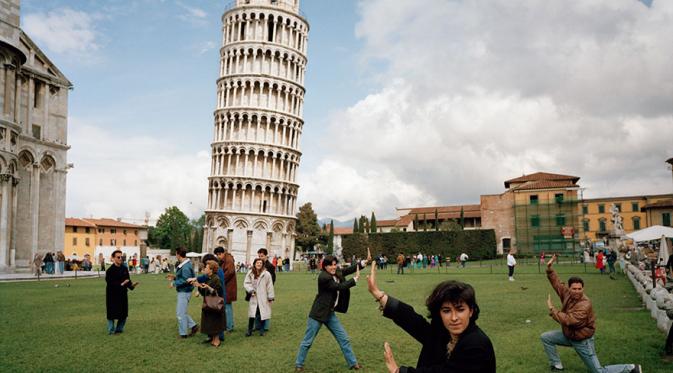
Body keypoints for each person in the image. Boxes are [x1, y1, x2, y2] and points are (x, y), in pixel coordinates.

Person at [366, 259, 495, 372]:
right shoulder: (445, 333)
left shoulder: (476, 344)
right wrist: (379, 294)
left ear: (471, 311)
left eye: (460, 310)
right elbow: (415, 322)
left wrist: (398, 371)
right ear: (439, 313)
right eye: (446, 311)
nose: (454, 318)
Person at [541, 254, 641, 372]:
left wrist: (553, 309)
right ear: (570, 288)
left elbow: (570, 320)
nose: (577, 291)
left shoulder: (585, 304)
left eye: (579, 289)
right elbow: (557, 284)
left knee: (598, 371)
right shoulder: (567, 294)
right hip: (569, 335)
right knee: (546, 338)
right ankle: (557, 365)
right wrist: (549, 269)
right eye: (574, 289)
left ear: (583, 289)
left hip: (582, 340)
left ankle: (631, 368)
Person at [294, 252, 370, 372]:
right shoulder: (324, 277)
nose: (334, 267)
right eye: (331, 265)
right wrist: (354, 280)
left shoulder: (336, 272)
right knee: (307, 341)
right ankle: (299, 364)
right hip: (318, 314)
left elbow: (348, 270)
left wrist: (362, 263)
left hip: (330, 313)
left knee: (344, 338)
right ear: (325, 267)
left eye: (335, 264)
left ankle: (353, 363)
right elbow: (338, 287)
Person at [167, 248, 199, 339]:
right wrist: (174, 277)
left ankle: (183, 333)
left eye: (176, 254)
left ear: (178, 255)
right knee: (182, 312)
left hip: (184, 291)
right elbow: (185, 278)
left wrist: (174, 283)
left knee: (180, 313)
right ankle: (193, 326)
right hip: (185, 291)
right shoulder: (186, 265)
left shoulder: (185, 266)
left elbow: (186, 280)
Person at [105, 250, 138, 335]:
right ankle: (111, 330)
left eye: (121, 257)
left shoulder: (124, 268)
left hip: (123, 294)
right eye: (118, 257)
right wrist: (122, 284)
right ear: (113, 258)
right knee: (111, 314)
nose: (120, 259)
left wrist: (132, 285)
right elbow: (110, 283)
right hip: (112, 295)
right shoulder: (110, 271)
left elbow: (128, 280)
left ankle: (119, 329)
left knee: (123, 313)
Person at [194, 260, 226, 347]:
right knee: (210, 322)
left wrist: (208, 287)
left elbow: (218, 291)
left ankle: (217, 340)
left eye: (206, 267)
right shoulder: (209, 278)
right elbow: (205, 291)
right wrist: (199, 286)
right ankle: (213, 339)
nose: (204, 269)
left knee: (215, 321)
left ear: (211, 269)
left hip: (215, 304)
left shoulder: (216, 279)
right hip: (209, 304)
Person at [244, 258, 275, 337]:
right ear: (254, 264)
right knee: (252, 314)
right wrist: (250, 290)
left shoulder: (266, 274)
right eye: (257, 263)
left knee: (262, 313)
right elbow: (246, 283)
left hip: (263, 296)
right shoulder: (250, 273)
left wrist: (270, 296)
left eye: (260, 263)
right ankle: (249, 330)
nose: (259, 264)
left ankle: (262, 330)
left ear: (262, 264)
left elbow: (269, 286)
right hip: (254, 296)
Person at [214, 246, 237, 333]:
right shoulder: (225, 259)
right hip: (226, 286)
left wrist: (220, 280)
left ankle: (229, 326)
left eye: (218, 255)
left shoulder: (229, 260)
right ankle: (228, 325)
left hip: (228, 287)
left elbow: (229, 272)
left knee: (227, 307)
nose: (218, 256)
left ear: (222, 253)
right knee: (226, 306)